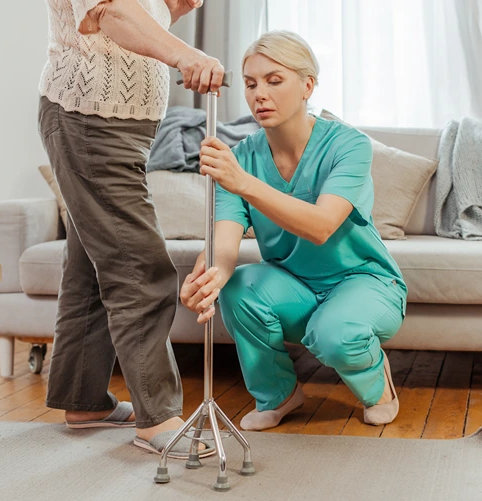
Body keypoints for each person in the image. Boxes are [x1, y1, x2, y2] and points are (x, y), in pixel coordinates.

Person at [180, 31, 408, 431]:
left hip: (363, 282)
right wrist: (208, 277)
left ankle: (379, 386)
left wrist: (243, 182)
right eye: (250, 84)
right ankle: (279, 394)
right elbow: (225, 242)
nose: (259, 95)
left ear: (307, 85)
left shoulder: (349, 145)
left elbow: (321, 227)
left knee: (334, 332)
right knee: (238, 286)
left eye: (274, 80)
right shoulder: (242, 158)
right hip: (294, 286)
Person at [38, 0, 223, 458]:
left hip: (121, 129)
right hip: (89, 121)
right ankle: (158, 418)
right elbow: (109, 13)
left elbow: (141, 17)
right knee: (139, 266)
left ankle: (84, 402)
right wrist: (185, 55)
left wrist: (169, 5)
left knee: (92, 268)